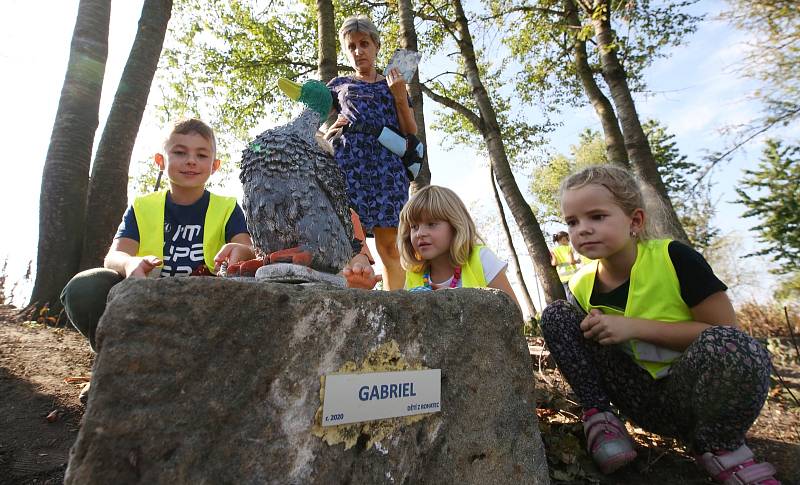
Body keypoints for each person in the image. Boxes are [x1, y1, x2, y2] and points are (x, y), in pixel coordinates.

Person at [540, 164, 778, 484]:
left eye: (597, 216)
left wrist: (633, 326)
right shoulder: (580, 285)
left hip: (697, 398)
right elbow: (586, 351)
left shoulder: (674, 258)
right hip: (639, 398)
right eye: (572, 221)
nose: (582, 229)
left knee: (739, 348)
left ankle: (723, 450)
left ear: (635, 221)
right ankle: (601, 420)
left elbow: (729, 338)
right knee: (555, 316)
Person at [60, 119, 255, 401]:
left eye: (201, 155)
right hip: (147, 306)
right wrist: (129, 264)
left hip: (206, 311)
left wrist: (239, 252)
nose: (191, 161)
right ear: (160, 160)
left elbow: (245, 249)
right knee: (85, 286)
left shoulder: (227, 208)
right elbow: (114, 256)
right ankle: (113, 365)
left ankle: (202, 374)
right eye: (180, 152)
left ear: (214, 166)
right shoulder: (142, 206)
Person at [325, 15, 417, 291]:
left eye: (364, 43)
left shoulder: (395, 77)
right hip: (348, 167)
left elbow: (411, 131)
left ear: (376, 45)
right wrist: (329, 134)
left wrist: (400, 95)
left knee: (390, 246)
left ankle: (393, 308)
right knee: (351, 243)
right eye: (351, 46)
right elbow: (313, 119)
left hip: (387, 168)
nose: (358, 51)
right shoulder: (338, 84)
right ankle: (357, 305)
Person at [397, 185, 518, 305]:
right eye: (414, 227)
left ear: (455, 226)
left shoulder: (481, 259)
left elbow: (514, 312)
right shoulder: (413, 274)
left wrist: (455, 301)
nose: (420, 234)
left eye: (431, 224)